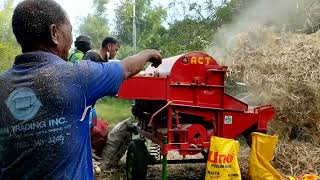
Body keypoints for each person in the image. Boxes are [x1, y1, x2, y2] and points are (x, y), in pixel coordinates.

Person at [0, 0, 161, 179]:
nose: (71, 42)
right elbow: (126, 68)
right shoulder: (78, 76)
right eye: (69, 31)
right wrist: (148, 53)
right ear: (54, 33)